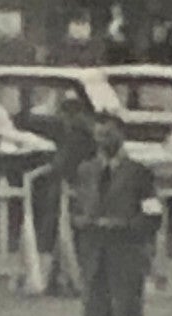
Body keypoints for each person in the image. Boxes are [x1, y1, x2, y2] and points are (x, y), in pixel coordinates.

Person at [67, 111, 163, 316]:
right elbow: (77, 209)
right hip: (95, 258)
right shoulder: (86, 171)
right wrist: (83, 223)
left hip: (126, 258)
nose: (103, 141)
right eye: (99, 135)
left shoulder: (139, 173)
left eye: (108, 135)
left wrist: (124, 226)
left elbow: (153, 216)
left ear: (121, 135)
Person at [45, 96, 97, 297]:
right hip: (85, 188)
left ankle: (71, 279)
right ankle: (58, 278)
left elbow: (63, 163)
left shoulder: (77, 136)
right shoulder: (90, 134)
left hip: (76, 189)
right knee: (70, 235)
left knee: (71, 233)